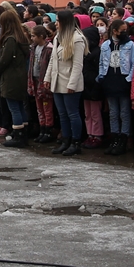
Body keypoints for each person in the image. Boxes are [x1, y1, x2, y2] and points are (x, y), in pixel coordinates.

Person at [44, 9, 86, 156]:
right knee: (62, 114)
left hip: (69, 82)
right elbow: (53, 60)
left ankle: (76, 142)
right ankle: (65, 140)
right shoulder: (57, 38)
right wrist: (47, 78)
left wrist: (72, 84)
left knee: (72, 113)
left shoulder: (77, 39)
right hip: (57, 81)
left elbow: (78, 65)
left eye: (57, 21)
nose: (55, 23)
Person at [97, 19, 134, 156]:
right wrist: (102, 76)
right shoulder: (106, 45)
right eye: (122, 30)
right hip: (110, 79)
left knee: (124, 112)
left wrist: (128, 79)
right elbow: (102, 62)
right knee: (113, 112)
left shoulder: (130, 45)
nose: (125, 33)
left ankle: (124, 139)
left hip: (123, 79)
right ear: (114, 31)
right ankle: (114, 138)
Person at [0, 9, 32, 148]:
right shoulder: (21, 37)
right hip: (20, 75)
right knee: (20, 106)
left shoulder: (10, 38)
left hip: (11, 77)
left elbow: (5, 59)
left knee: (14, 108)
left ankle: (18, 135)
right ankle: (23, 133)